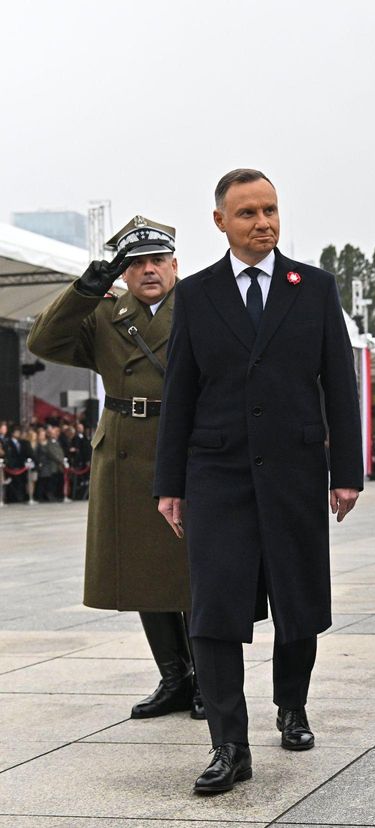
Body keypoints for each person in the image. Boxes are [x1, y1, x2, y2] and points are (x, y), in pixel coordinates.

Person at [154, 168, 363, 794]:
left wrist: (346, 473)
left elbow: (339, 386)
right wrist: (171, 483)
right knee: (214, 610)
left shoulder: (315, 287)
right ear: (220, 221)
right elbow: (180, 393)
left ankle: (291, 706)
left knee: (298, 602)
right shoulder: (195, 295)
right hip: (216, 471)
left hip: (296, 469)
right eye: (247, 213)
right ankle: (229, 746)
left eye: (270, 209)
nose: (263, 222)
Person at [27, 216, 202, 720]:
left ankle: (206, 681)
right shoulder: (105, 314)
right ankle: (174, 676)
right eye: (136, 263)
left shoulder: (200, 307)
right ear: (123, 273)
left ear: (175, 265)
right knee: (142, 569)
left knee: (190, 572)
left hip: (185, 444)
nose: (148, 270)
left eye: (156, 261)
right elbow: (44, 342)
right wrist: (86, 289)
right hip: (124, 447)